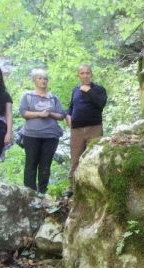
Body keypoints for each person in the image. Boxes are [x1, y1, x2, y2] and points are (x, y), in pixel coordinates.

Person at [19, 68, 66, 194]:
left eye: (45, 78)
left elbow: (61, 115)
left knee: (45, 165)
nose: (43, 81)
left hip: (50, 136)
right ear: (34, 80)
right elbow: (23, 112)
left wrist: (50, 114)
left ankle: (42, 193)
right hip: (31, 135)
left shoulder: (53, 98)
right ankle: (29, 193)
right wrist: (40, 114)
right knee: (31, 163)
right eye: (40, 78)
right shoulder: (27, 96)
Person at [65, 64, 107, 195]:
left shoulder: (99, 89)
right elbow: (71, 107)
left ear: (91, 74)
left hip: (94, 127)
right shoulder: (75, 90)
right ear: (78, 75)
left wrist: (88, 91)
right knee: (75, 159)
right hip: (76, 130)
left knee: (94, 157)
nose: (85, 75)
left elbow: (101, 104)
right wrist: (68, 117)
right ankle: (72, 188)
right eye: (82, 73)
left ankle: (93, 186)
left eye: (87, 73)